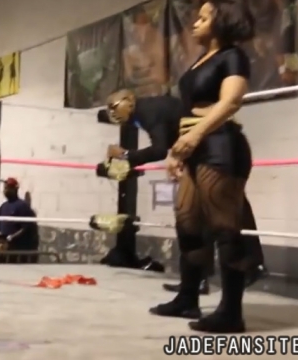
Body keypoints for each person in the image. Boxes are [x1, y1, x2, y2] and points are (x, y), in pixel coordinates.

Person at [150, 0, 256, 334]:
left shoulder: (232, 56)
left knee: (225, 227)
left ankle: (231, 312)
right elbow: (186, 111)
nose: (195, 23)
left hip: (221, 144)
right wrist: (176, 152)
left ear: (221, 22)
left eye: (204, 18)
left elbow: (231, 101)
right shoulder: (200, 61)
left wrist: (195, 136)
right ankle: (187, 297)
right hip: (195, 146)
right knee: (188, 223)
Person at [102, 89, 266, 296]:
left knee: (214, 211)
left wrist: (125, 154)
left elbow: (159, 149)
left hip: (210, 151)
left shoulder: (148, 111)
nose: (114, 113)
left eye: (114, 107)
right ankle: (201, 279)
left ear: (128, 101)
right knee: (201, 215)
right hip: (202, 151)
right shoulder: (149, 108)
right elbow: (171, 140)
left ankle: (246, 266)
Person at [0, 178, 39, 263]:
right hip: (3, 247)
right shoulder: (4, 206)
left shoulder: (22, 205)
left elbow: (25, 227)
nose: (5, 190)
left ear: (15, 189)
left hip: (17, 248)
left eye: (8, 188)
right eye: (5, 188)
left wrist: (11, 237)